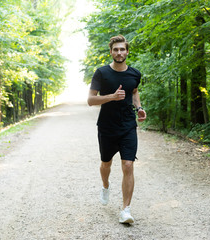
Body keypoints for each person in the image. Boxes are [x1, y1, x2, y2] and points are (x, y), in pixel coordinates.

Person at [87, 34, 146, 224]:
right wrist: (111, 97)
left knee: (128, 165)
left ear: (127, 51)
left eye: (122, 49)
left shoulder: (135, 74)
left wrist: (139, 108)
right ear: (111, 52)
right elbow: (90, 100)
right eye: (116, 49)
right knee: (106, 164)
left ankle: (126, 210)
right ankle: (105, 186)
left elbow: (134, 92)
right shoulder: (101, 73)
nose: (119, 52)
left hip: (128, 125)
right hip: (107, 126)